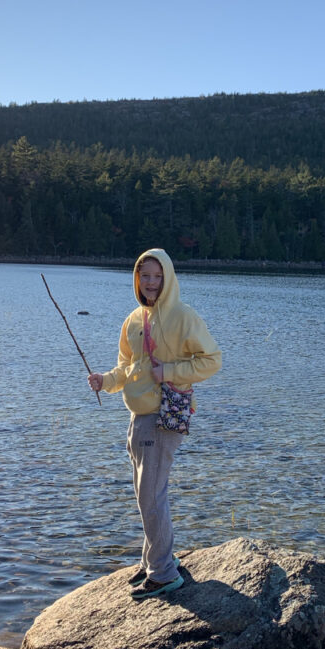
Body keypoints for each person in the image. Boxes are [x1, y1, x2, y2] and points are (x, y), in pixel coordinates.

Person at [87, 248, 221, 600]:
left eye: (157, 276)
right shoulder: (133, 320)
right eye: (144, 276)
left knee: (151, 495)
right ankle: (154, 560)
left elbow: (212, 360)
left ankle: (164, 573)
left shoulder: (183, 316)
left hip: (164, 416)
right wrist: (106, 380)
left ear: (168, 278)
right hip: (138, 417)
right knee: (145, 494)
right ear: (137, 278)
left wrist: (171, 371)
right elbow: (127, 367)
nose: (150, 283)